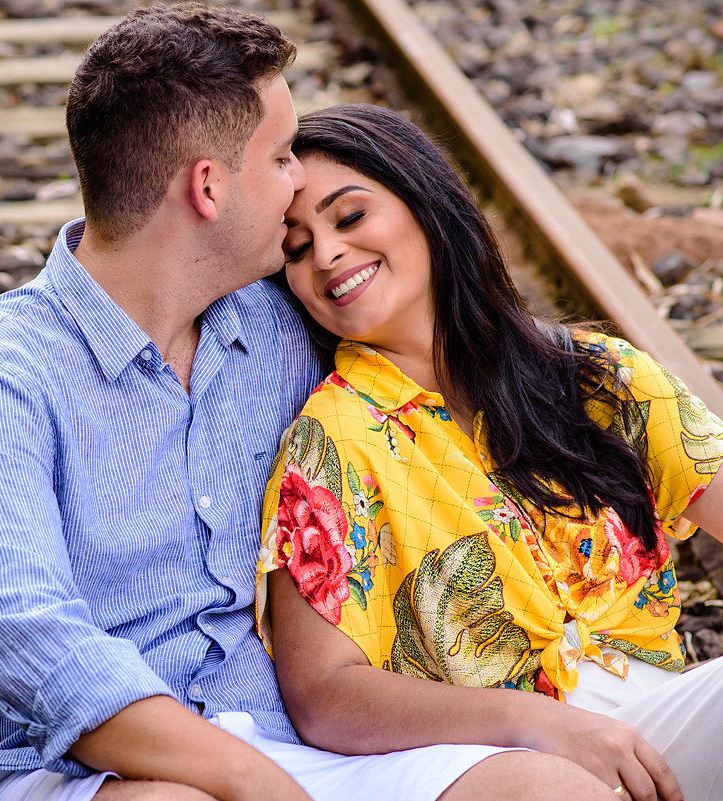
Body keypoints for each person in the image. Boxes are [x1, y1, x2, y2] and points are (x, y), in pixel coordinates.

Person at [0, 6, 620, 801]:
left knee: (546, 787)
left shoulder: (280, 326)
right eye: (282, 156)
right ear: (208, 187)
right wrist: (254, 783)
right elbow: (28, 637)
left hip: (291, 752)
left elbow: (437, 351)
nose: (297, 181)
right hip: (76, 771)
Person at [257, 102, 723, 801]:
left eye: (350, 217)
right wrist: (534, 722)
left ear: (425, 203)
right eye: (295, 248)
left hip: (661, 733)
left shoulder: (597, 377)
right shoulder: (331, 439)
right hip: (509, 766)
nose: (325, 255)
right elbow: (322, 693)